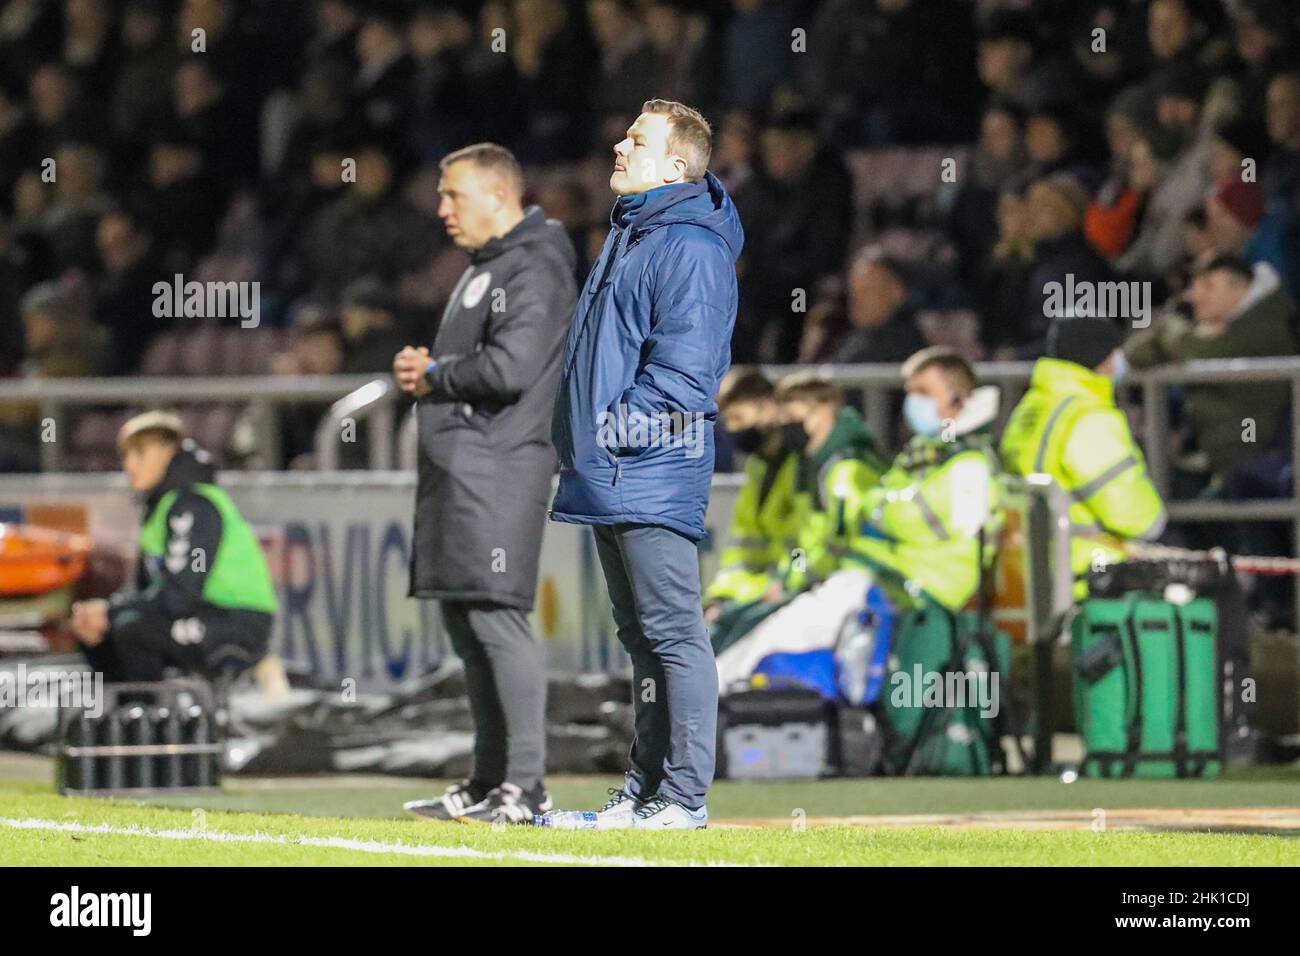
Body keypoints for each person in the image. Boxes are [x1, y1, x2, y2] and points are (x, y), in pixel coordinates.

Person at [544, 99, 743, 830]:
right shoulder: (635, 233)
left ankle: (682, 798)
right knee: (643, 640)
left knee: (673, 634)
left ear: (677, 166)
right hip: (617, 469)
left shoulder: (687, 245)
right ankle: (643, 793)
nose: (619, 146)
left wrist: (610, 434)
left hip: (649, 467)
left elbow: (687, 376)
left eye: (638, 139)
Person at [394, 143, 578, 825]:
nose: (442, 210)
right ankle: (486, 780)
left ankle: (526, 787)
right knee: (466, 621)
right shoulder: (488, 267)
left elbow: (511, 368)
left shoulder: (536, 263)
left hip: (500, 468)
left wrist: (435, 374)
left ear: (499, 197)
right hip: (464, 468)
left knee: (498, 617)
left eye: (454, 196)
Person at [715, 348, 1001, 690]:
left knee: (771, 635)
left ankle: (704, 715)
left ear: (957, 398)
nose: (912, 403)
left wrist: (880, 509)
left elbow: (904, 519)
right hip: (874, 578)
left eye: (924, 392)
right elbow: (877, 515)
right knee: (761, 635)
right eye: (909, 392)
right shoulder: (925, 456)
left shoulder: (965, 463)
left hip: (908, 587)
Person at [69, 412, 276, 682]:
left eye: (140, 454)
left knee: (133, 630)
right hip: (204, 611)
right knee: (100, 633)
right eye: (126, 455)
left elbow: (182, 595)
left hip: (235, 620)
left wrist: (110, 610)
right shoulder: (161, 508)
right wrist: (104, 614)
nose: (129, 464)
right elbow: (151, 592)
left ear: (167, 454)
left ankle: (151, 716)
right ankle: (124, 716)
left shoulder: (193, 505)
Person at [709, 371, 888, 659]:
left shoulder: (843, 470)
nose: (787, 425)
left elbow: (838, 543)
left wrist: (791, 579)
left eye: (793, 416)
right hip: (791, 583)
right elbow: (802, 543)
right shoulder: (806, 468)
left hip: (832, 589)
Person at [1001, 316, 1165, 587]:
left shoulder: (1032, 406)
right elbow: (1133, 515)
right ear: (1105, 357)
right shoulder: (1087, 416)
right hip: (1085, 568)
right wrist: (1155, 525)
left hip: (1027, 565)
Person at [703, 368, 800, 619]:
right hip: (763, 592)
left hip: (793, 589)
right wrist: (721, 596)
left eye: (738, 418)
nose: (734, 429)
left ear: (768, 407)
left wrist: (791, 581)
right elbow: (741, 549)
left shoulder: (800, 464)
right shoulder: (758, 467)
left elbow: (806, 542)